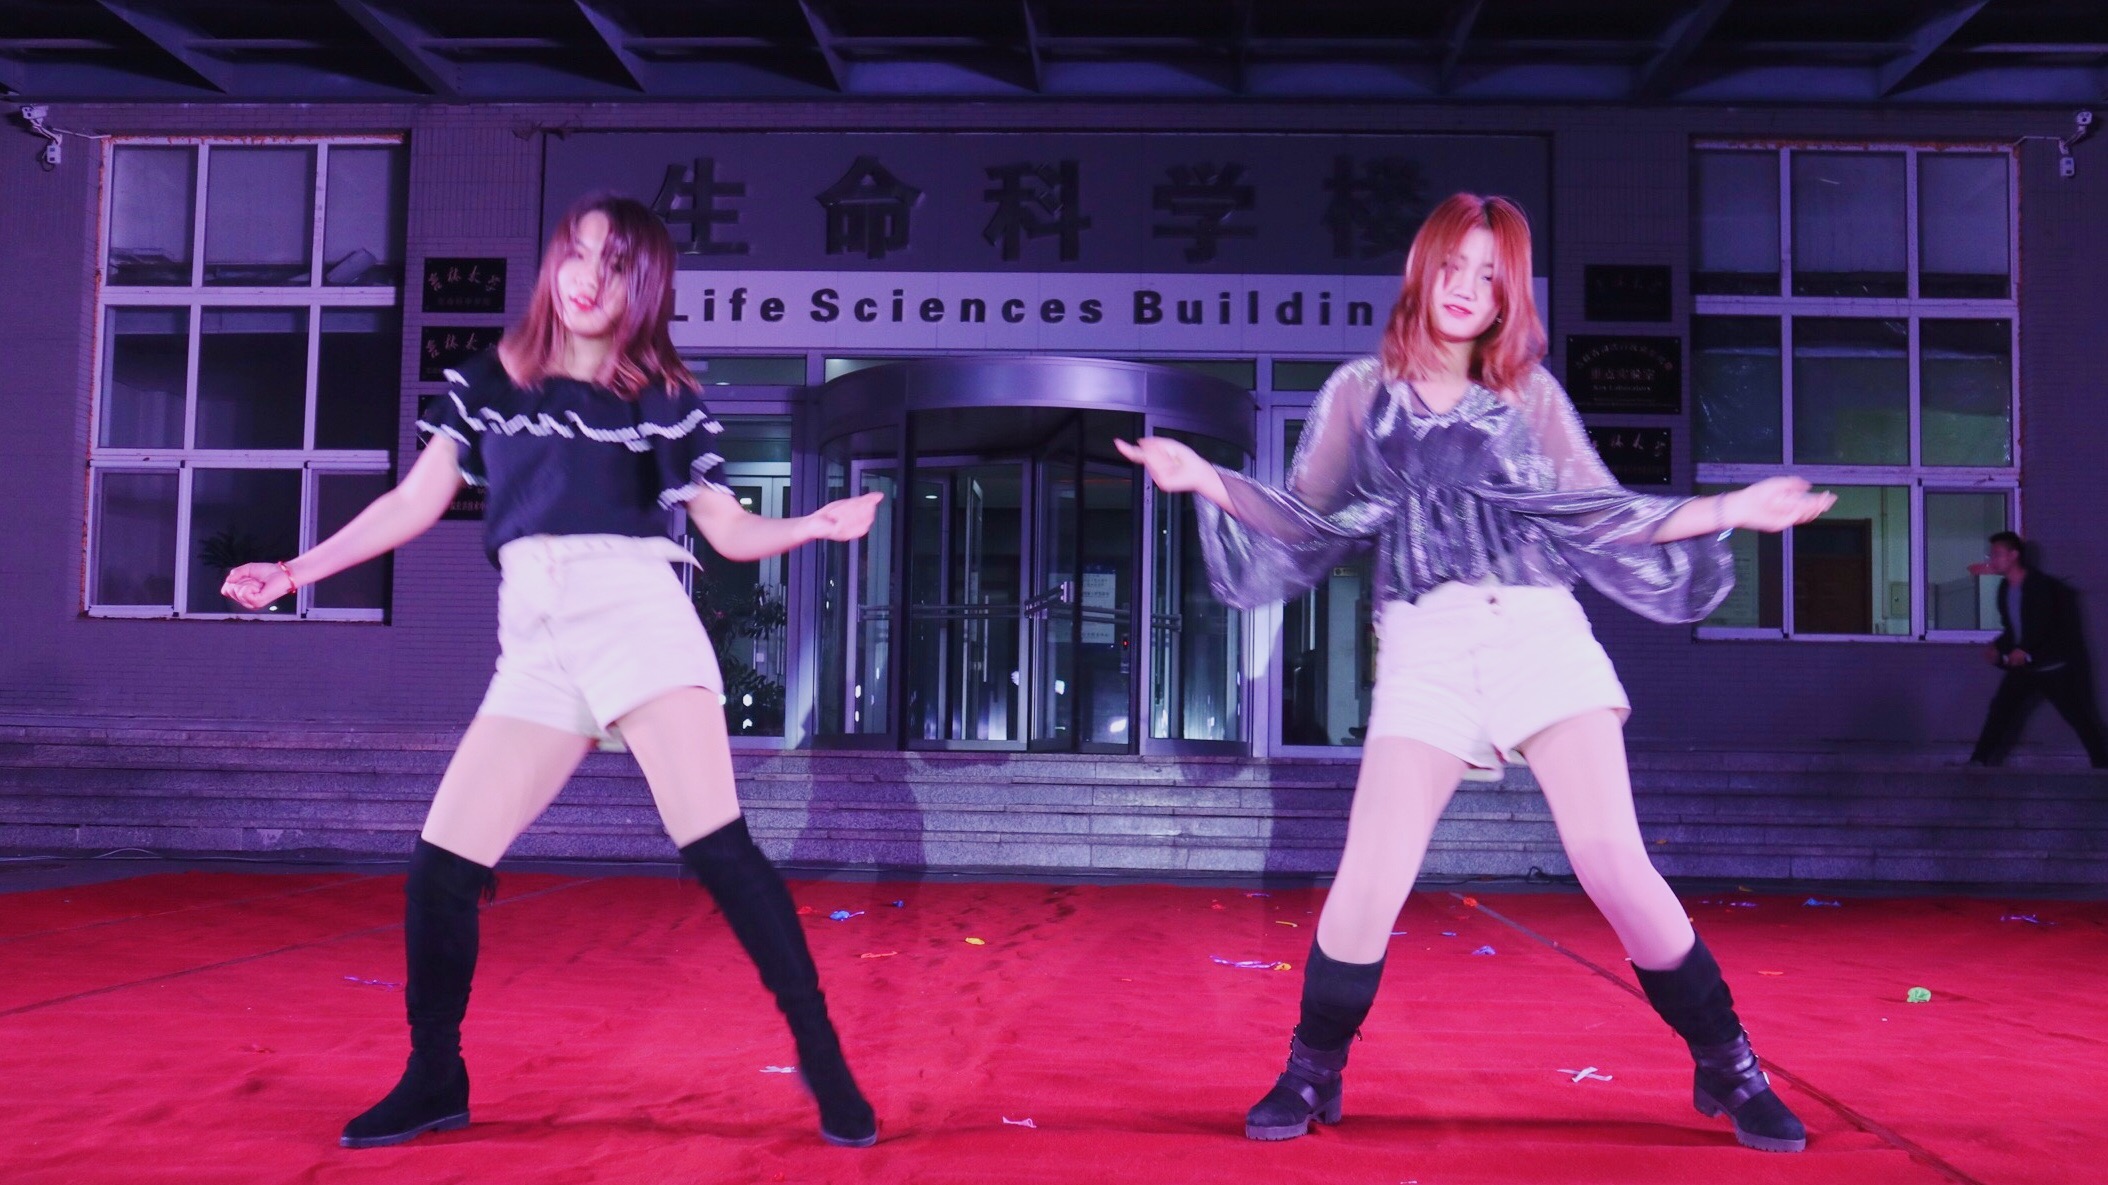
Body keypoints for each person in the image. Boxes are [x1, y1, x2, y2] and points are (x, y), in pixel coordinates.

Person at [1117, 193, 1835, 1154]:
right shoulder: (1359, 392)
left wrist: (1727, 509)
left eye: (1489, 275)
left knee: (1613, 858)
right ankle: (1312, 1069)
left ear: (1508, 295)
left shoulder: (1529, 396)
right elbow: (1306, 518)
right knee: (1371, 872)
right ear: (1423, 271)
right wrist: (1206, 478)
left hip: (1539, 631)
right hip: (1427, 641)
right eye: (1453, 265)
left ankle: (1730, 1066)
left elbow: (1603, 514)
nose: (1466, 287)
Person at [222, 196, 885, 1150]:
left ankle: (822, 1055)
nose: (585, 277)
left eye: (613, 265)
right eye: (576, 252)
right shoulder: (491, 378)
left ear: (642, 286)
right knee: (442, 866)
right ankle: (435, 1075)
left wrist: (813, 525)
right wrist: (292, 573)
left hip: (636, 616)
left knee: (716, 845)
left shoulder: (659, 393)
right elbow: (412, 502)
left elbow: (728, 530)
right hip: (535, 635)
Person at [1966, 532, 2108, 768]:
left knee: (2078, 716)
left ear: (2014, 555)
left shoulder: (2039, 586)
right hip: (2025, 668)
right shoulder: (2005, 589)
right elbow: (2013, 629)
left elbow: (2044, 625)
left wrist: (2024, 649)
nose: (1993, 559)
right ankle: (1978, 761)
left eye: (1998, 554)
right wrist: (1998, 647)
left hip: (2053, 668)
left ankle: (2103, 766)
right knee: (2000, 710)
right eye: (1992, 554)